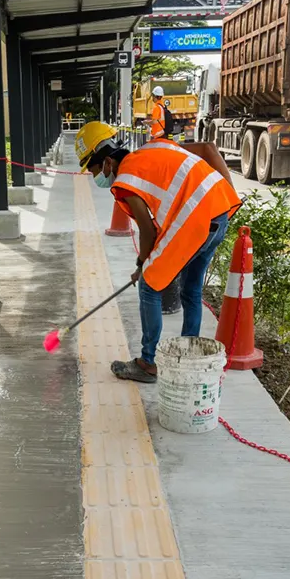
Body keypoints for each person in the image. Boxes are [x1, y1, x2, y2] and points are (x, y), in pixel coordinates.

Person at [74, 121, 241, 383]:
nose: (95, 176)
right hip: (220, 212)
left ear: (106, 162)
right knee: (191, 289)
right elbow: (208, 148)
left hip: (197, 221)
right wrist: (230, 192)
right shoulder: (154, 147)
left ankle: (147, 363)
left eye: (93, 169)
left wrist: (142, 264)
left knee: (150, 287)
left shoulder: (127, 180)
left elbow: (148, 231)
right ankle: (188, 357)